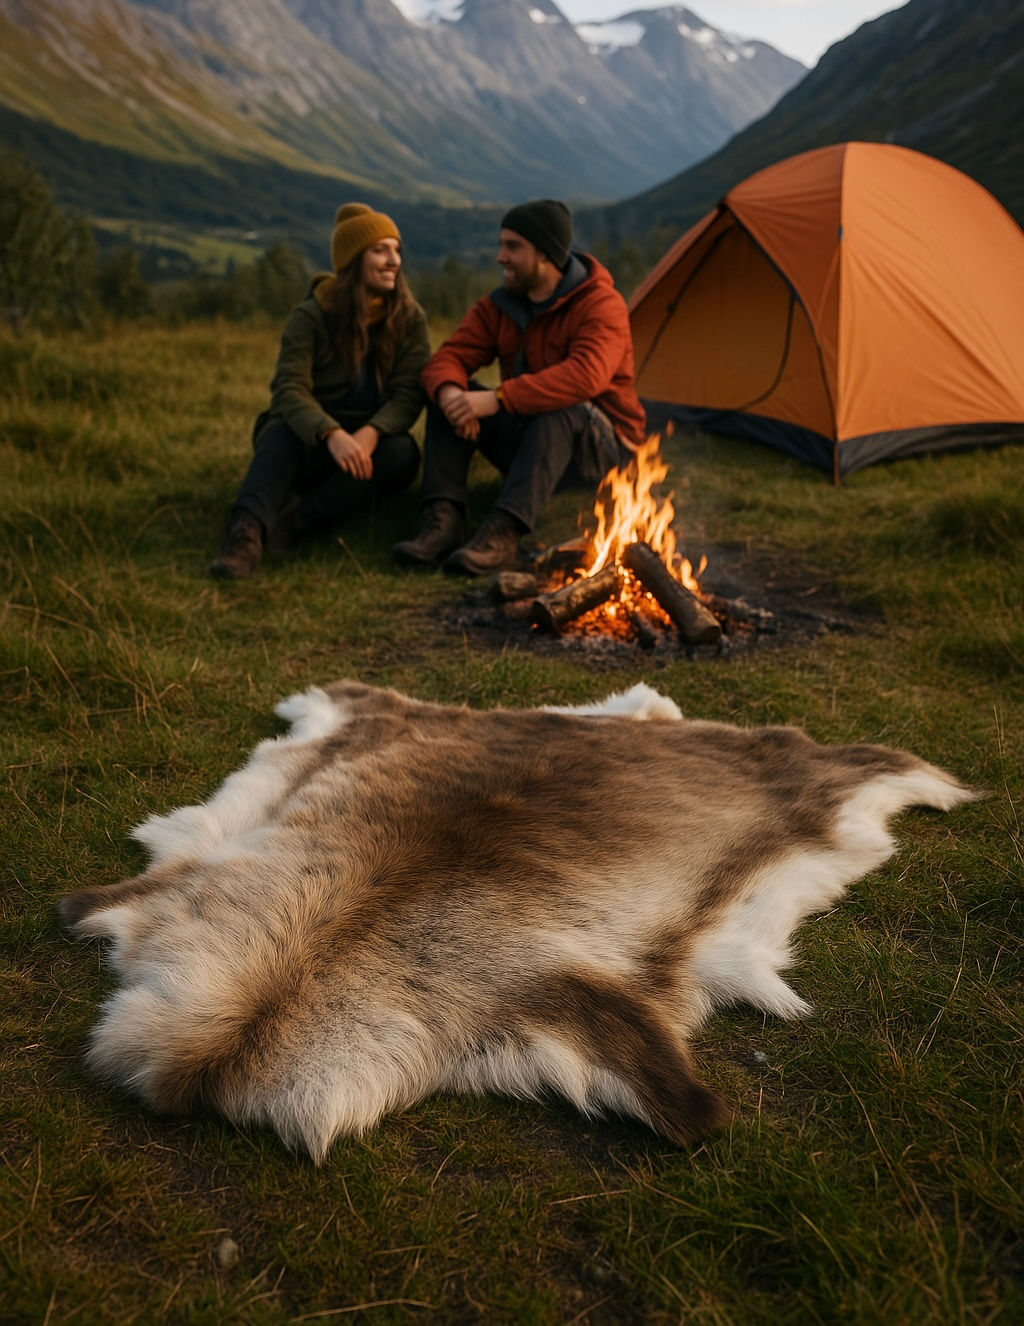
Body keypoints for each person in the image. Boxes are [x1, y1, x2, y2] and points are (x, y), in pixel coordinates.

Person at [391, 199, 645, 576]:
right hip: (534, 445)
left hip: (600, 455)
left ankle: (503, 534)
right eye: (501, 245)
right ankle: (442, 522)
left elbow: (585, 376)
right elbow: (447, 358)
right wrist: (452, 396)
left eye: (513, 247)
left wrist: (498, 398)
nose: (501, 257)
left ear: (544, 253)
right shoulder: (501, 306)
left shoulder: (600, 303)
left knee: (564, 406)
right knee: (452, 395)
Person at [209, 203, 430, 579]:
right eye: (380, 250)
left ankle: (299, 521)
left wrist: (371, 433)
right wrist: (330, 434)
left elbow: (409, 392)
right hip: (312, 443)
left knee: (403, 453)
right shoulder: (311, 316)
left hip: (365, 448)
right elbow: (289, 388)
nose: (394, 260)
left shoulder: (409, 319)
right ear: (354, 260)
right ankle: (244, 535)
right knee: (282, 435)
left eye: (396, 250)